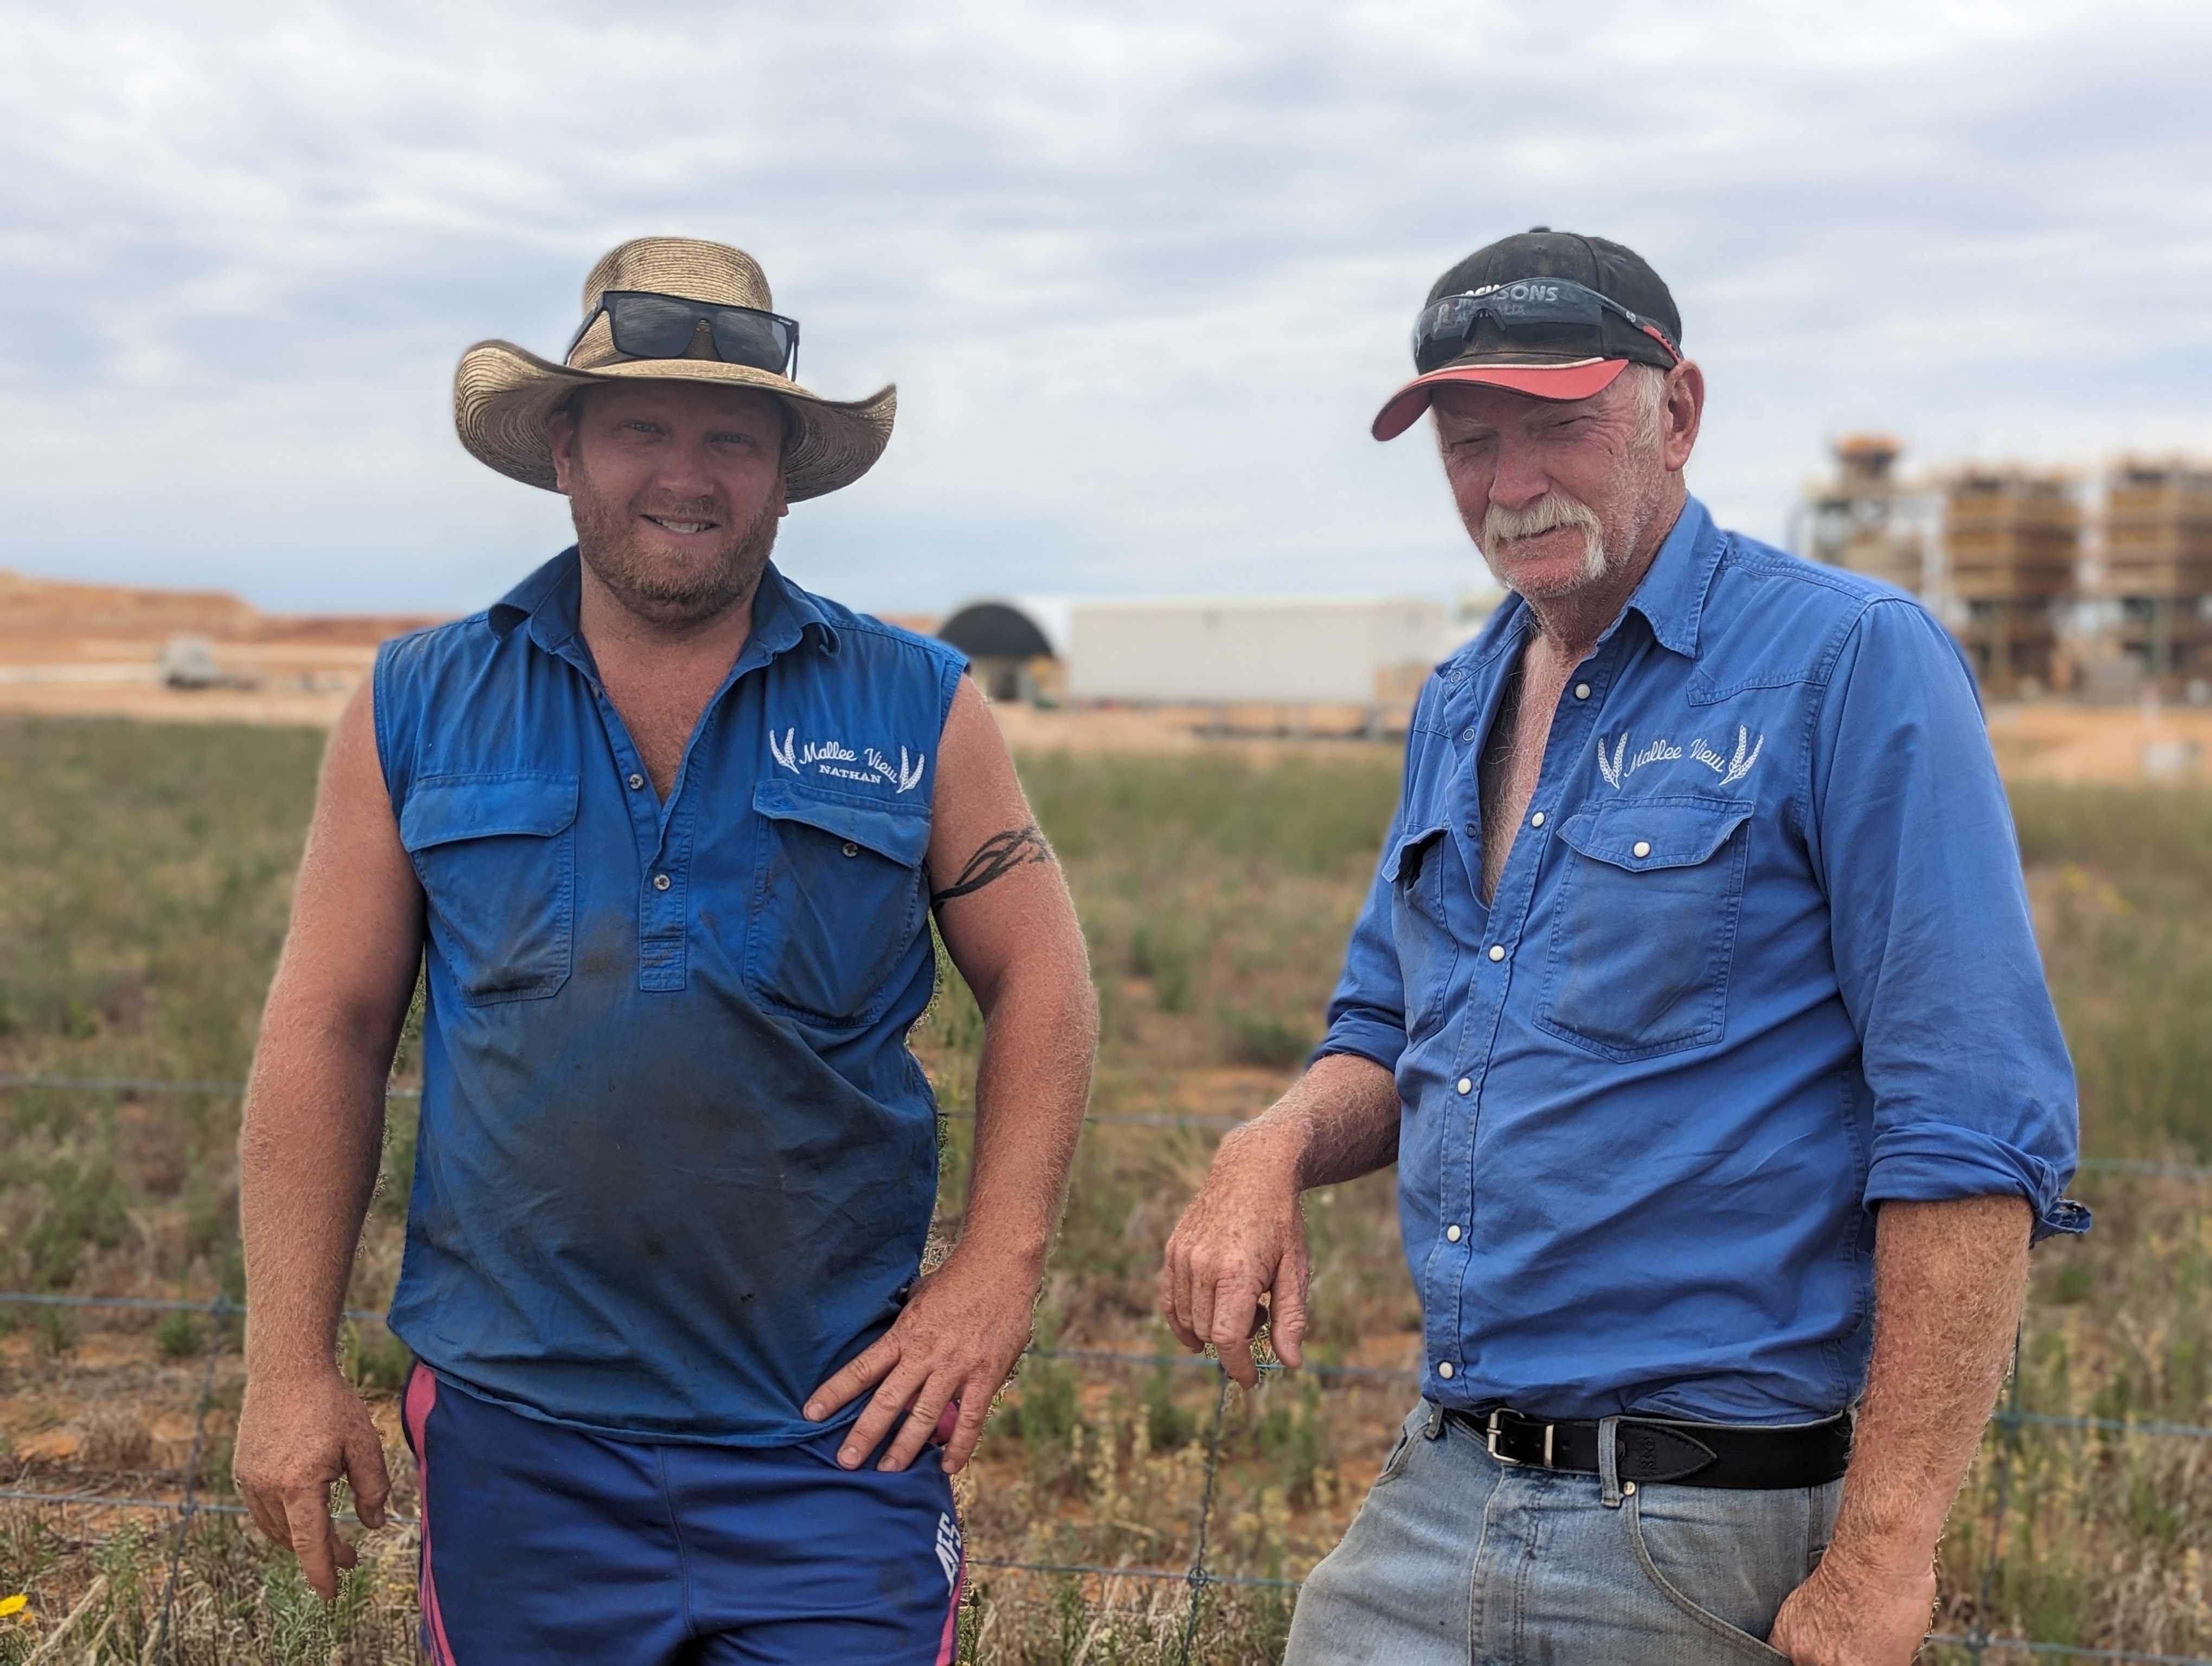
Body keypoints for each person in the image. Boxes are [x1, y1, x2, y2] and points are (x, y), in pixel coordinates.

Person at [1158, 228, 2084, 1666]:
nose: (1511, 485)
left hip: (1699, 1537)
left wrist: (1880, 1568)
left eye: (1559, 427)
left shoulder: (1849, 664)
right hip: (1436, 1492)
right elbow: (1384, 1036)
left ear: (1679, 411)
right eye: (1472, 442)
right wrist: (1268, 1144)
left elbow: (1972, 1128)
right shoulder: (1460, 700)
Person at [234, 236, 1098, 1664]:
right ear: (566, 448)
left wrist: (995, 1271)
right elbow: (327, 1023)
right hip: (522, 1446)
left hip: (831, 1439)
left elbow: (1044, 977)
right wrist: (286, 1368)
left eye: (731, 438)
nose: (687, 476)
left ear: (782, 470)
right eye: (643, 429)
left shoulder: (920, 705)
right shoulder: (418, 703)